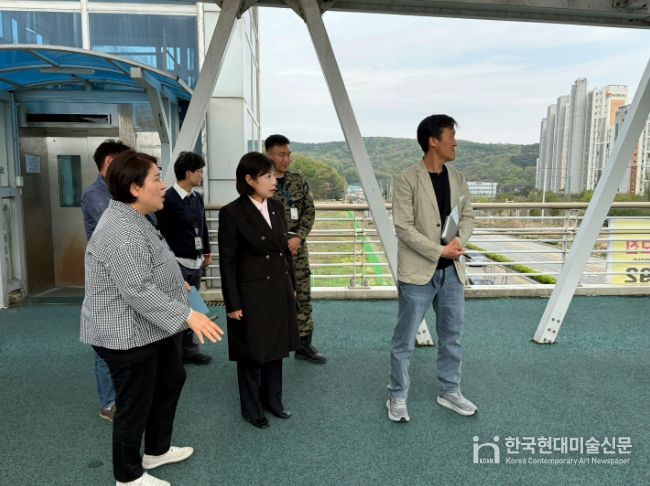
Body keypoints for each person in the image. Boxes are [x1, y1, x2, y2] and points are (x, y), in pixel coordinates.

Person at [80, 150, 224, 486]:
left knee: (171, 378)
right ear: (135, 188)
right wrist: (188, 315)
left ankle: (156, 450)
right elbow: (137, 290)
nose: (163, 186)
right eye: (156, 179)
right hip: (125, 333)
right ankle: (128, 476)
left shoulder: (134, 217)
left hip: (148, 326)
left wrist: (179, 283)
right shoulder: (122, 231)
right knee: (134, 403)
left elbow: (150, 265)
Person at [386, 115, 476, 423]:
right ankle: (397, 395)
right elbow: (403, 227)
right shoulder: (407, 179)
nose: (455, 142)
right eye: (451, 136)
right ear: (433, 141)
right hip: (418, 274)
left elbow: (468, 217)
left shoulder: (458, 178)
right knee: (405, 339)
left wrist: (459, 241)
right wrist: (440, 250)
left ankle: (450, 390)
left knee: (452, 335)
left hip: (452, 272)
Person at [218, 152, 299, 429]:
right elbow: (228, 261)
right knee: (251, 352)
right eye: (267, 176)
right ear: (249, 180)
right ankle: (252, 409)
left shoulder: (276, 207)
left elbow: (284, 252)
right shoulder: (232, 212)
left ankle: (273, 401)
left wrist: (291, 287)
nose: (273, 180)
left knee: (276, 348)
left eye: (273, 175)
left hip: (277, 288)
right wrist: (232, 303)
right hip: (250, 294)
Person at [80, 139, 130, 423]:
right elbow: (117, 228)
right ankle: (109, 403)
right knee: (104, 341)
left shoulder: (117, 190)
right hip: (106, 279)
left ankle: (123, 396)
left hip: (124, 273)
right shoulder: (95, 194)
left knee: (123, 338)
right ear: (110, 162)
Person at [265, 134, 326, 364]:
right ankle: (272, 344)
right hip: (272, 253)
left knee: (303, 296)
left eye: (288, 154)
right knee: (271, 298)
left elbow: (309, 211)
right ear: (268, 155)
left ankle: (304, 345)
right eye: (281, 154)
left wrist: (299, 237)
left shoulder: (298, 181)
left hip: (297, 251)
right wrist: (282, 242)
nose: (286, 159)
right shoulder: (263, 183)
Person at [156, 152, 213, 365]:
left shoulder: (196, 198)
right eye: (199, 171)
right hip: (176, 262)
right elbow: (159, 234)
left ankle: (189, 349)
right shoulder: (168, 199)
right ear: (188, 173)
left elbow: (203, 226)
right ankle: (173, 353)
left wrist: (206, 252)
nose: (201, 175)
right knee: (176, 308)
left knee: (193, 307)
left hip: (195, 261)